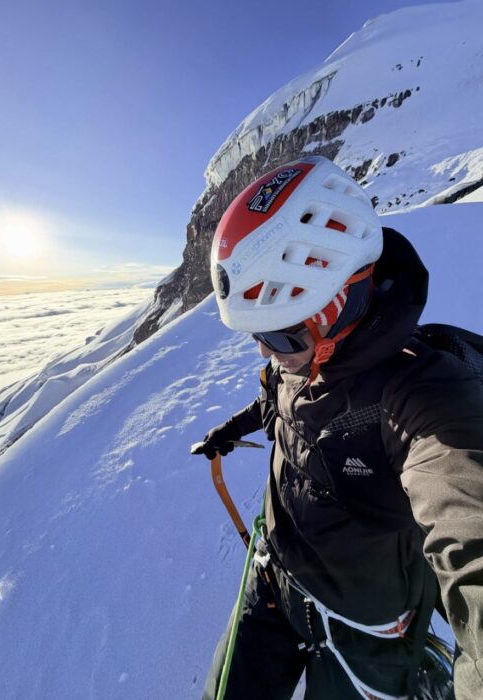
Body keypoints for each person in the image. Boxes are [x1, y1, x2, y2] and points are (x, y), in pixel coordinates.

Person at [193, 156, 483, 700]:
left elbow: (468, 511)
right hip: (275, 579)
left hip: (365, 634)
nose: (267, 352)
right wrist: (233, 429)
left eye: (278, 336)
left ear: (337, 303)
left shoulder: (423, 400)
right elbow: (279, 400)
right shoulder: (300, 359)